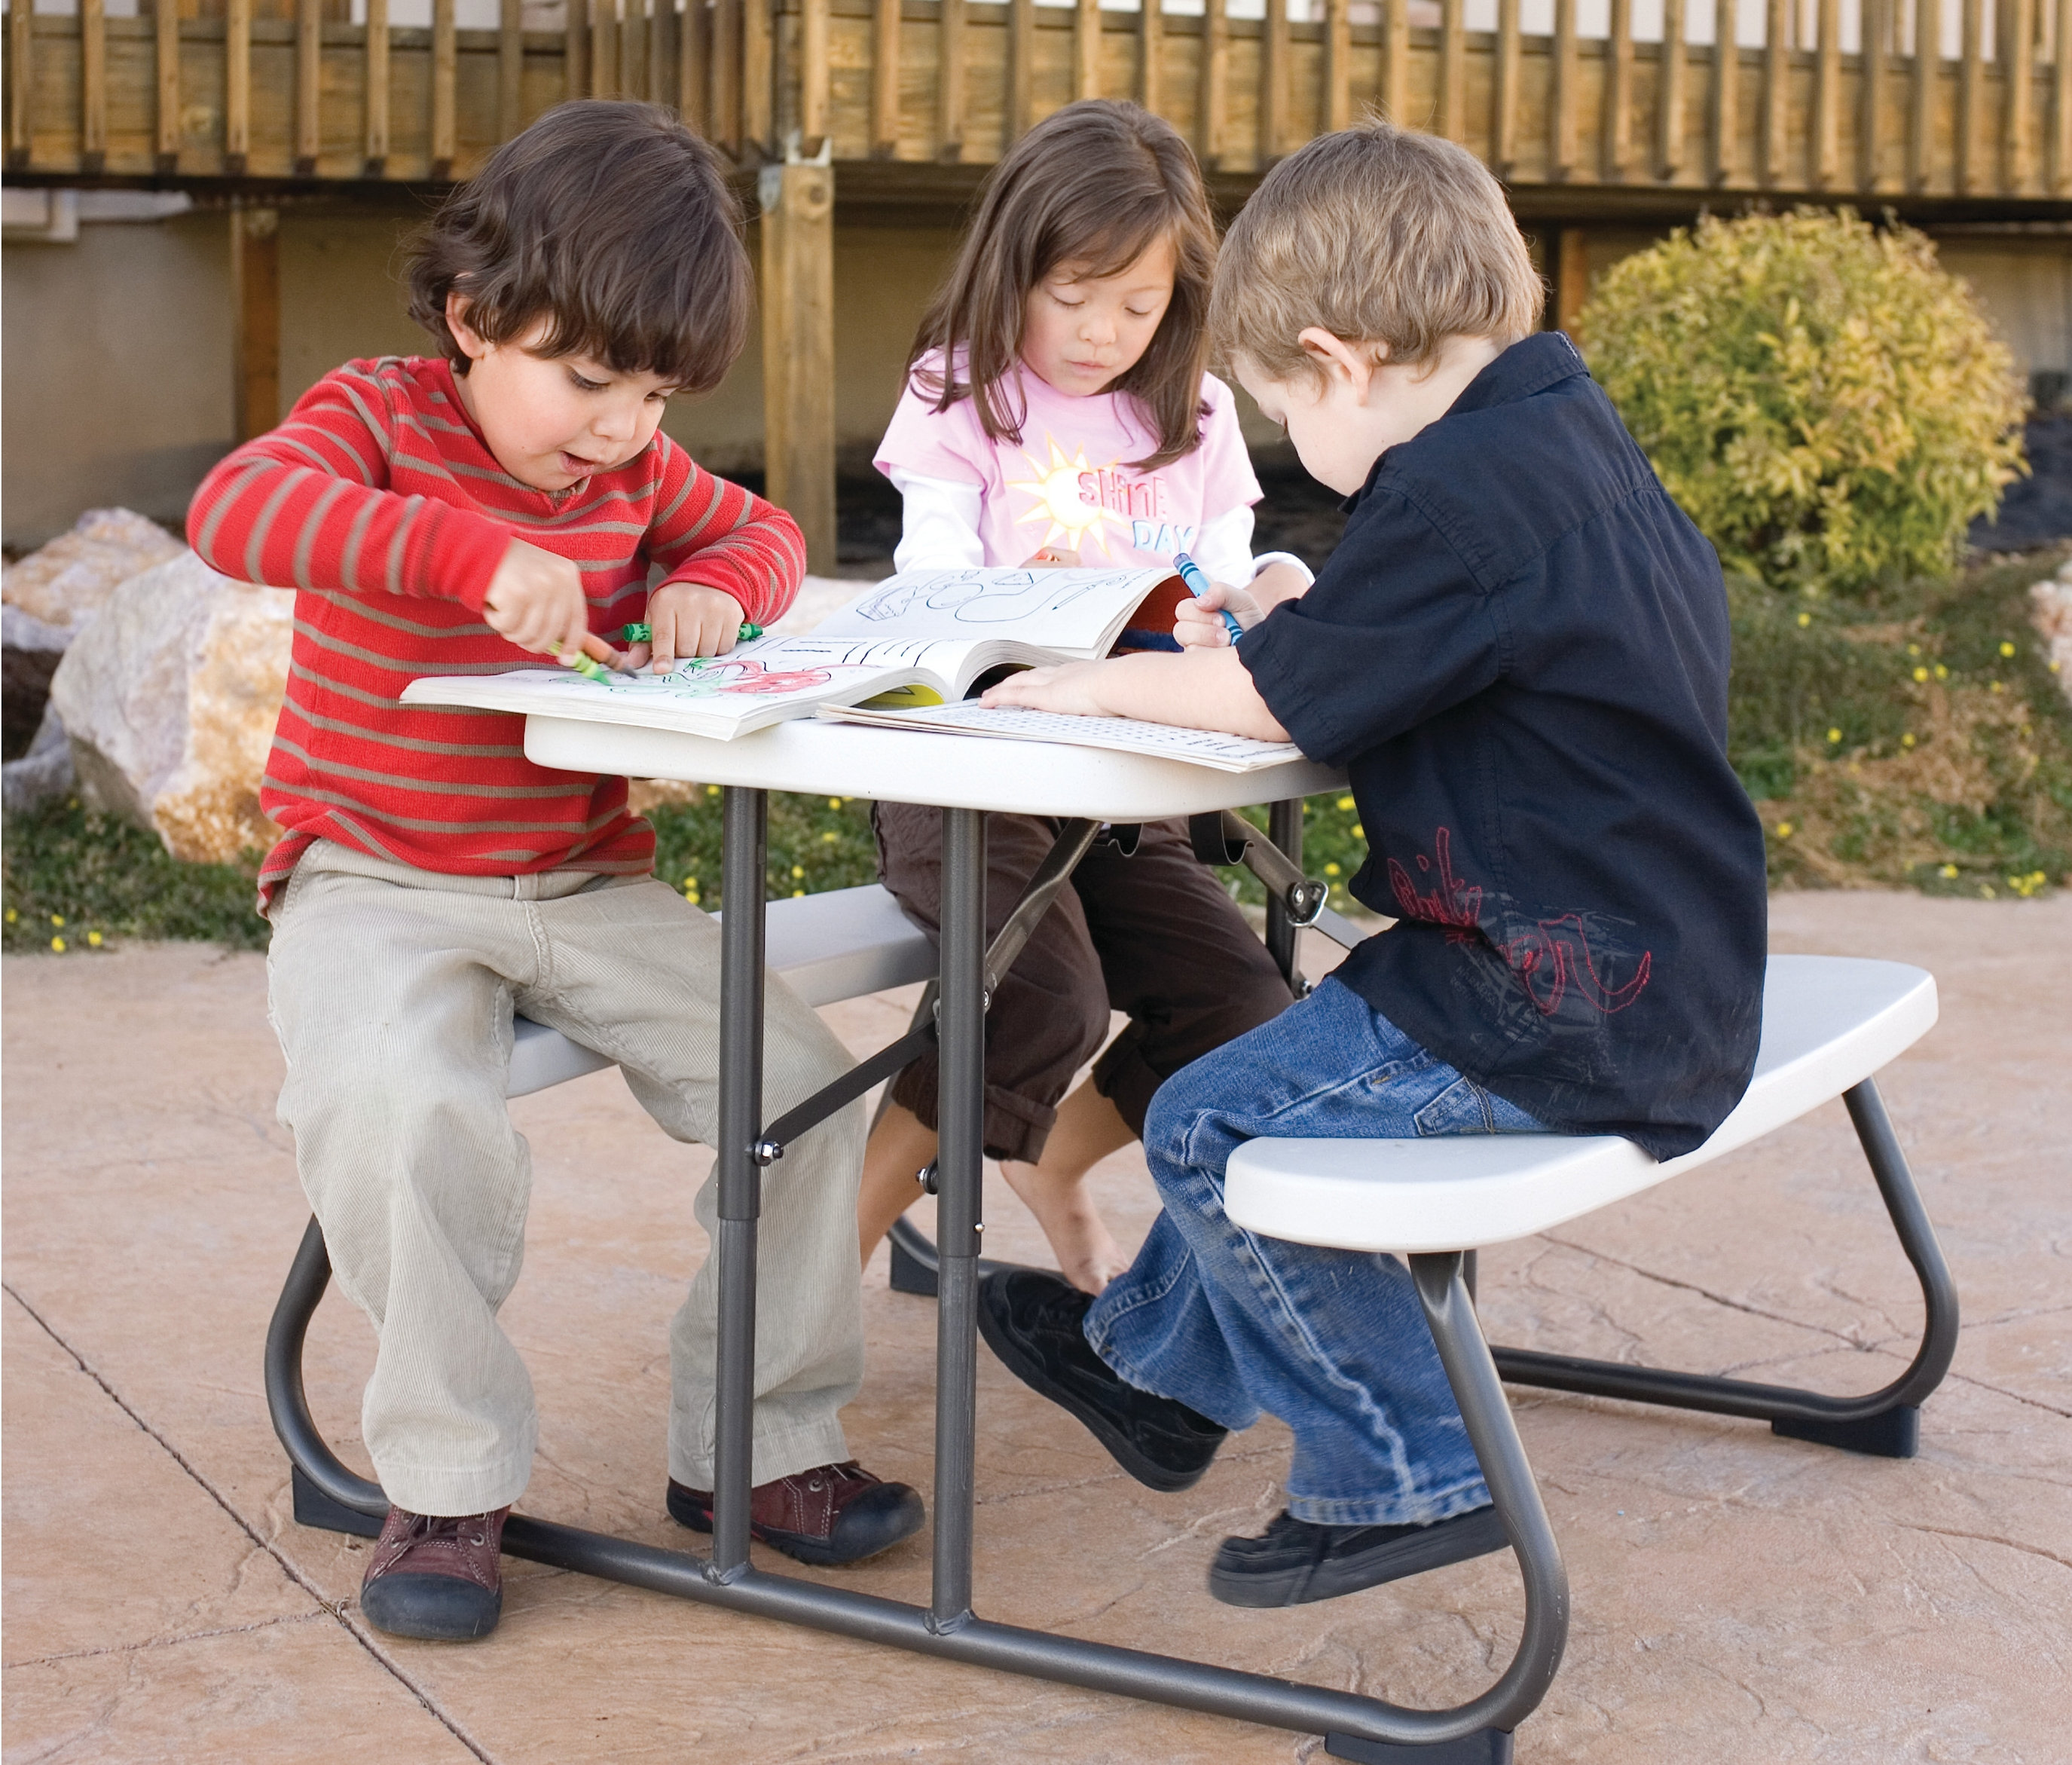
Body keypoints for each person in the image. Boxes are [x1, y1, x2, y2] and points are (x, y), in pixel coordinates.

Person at [971, 120, 1768, 1607]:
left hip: (1560, 995)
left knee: (1214, 1119)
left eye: (1281, 413)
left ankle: (1406, 1473)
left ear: (1338, 361)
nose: (1297, 453)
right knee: (1282, 1068)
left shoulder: (1453, 496)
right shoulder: (1549, 430)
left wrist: (1089, 683)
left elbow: (1282, 702)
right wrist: (1294, 618)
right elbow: (1404, 642)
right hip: (1645, 959)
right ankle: (1159, 1376)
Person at [188, 101, 923, 1644]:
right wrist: (459, 553)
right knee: (400, 1105)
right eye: (586, 380)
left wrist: (717, 586)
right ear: (472, 315)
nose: (616, 428)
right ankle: (447, 1483)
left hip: (583, 883)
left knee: (807, 1090)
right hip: (374, 877)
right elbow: (234, 510)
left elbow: (767, 534)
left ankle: (755, 1445)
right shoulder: (377, 415)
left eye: (650, 394)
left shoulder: (637, 478)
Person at [860, 100, 1314, 1295]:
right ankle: (813, 1272)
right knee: (1042, 999)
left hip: (1126, 795)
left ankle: (1051, 1162)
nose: (1101, 332)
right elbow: (930, 588)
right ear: (1012, 268)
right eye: (1070, 295)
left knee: (1241, 1006)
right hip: (972, 779)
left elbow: (1221, 574)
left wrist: (1266, 587)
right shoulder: (960, 391)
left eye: (1138, 303)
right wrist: (1029, 598)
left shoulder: (1196, 414)